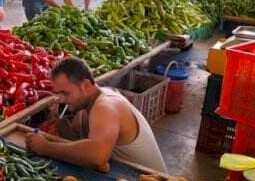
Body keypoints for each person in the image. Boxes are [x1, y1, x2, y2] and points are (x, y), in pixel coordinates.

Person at [26, 57, 168, 174]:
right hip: (129, 177)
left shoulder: (105, 106)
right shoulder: (93, 101)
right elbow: (78, 135)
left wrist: (45, 147)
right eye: (58, 93)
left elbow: (97, 155)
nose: (60, 100)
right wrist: (58, 127)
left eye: (65, 93)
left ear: (86, 86)